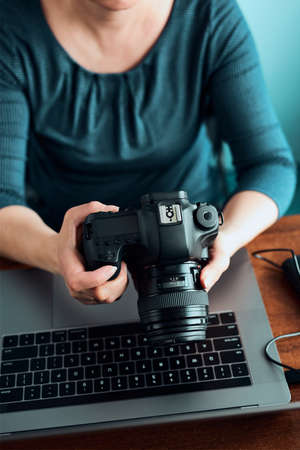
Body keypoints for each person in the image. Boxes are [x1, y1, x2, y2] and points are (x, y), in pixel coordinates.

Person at [0, 0, 297, 305]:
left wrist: (222, 240)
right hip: (64, 260)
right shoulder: (10, 26)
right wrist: (57, 253)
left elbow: (270, 165)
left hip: (193, 267)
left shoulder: (208, 13)